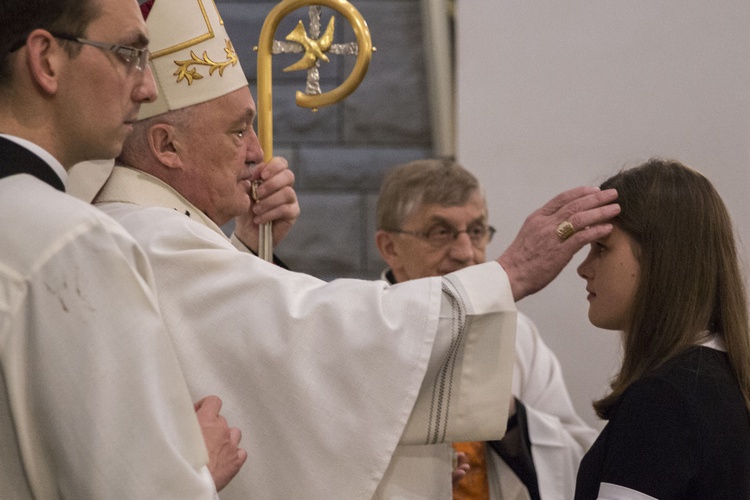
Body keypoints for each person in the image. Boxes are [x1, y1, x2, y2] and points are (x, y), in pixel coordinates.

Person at [74, 0, 619, 498]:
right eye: (238, 131)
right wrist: (511, 273)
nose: (257, 153)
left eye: (476, 231)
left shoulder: (152, 231)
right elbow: (314, 333)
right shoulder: (149, 236)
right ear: (166, 146)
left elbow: (249, 344)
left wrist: (247, 249)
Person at [0, 0, 246, 497]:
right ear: (46, 59)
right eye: (127, 53)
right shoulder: (72, 242)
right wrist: (196, 470)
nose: (147, 86)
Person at [373, 159, 598, 500]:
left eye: (476, 231)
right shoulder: (367, 336)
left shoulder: (518, 336)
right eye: (440, 232)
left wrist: (509, 417)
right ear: (390, 248)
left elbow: (575, 457)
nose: (466, 253)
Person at [574, 159, 750, 499]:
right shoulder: (724, 378)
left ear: (658, 258)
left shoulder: (662, 400)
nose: (583, 268)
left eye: (602, 248)